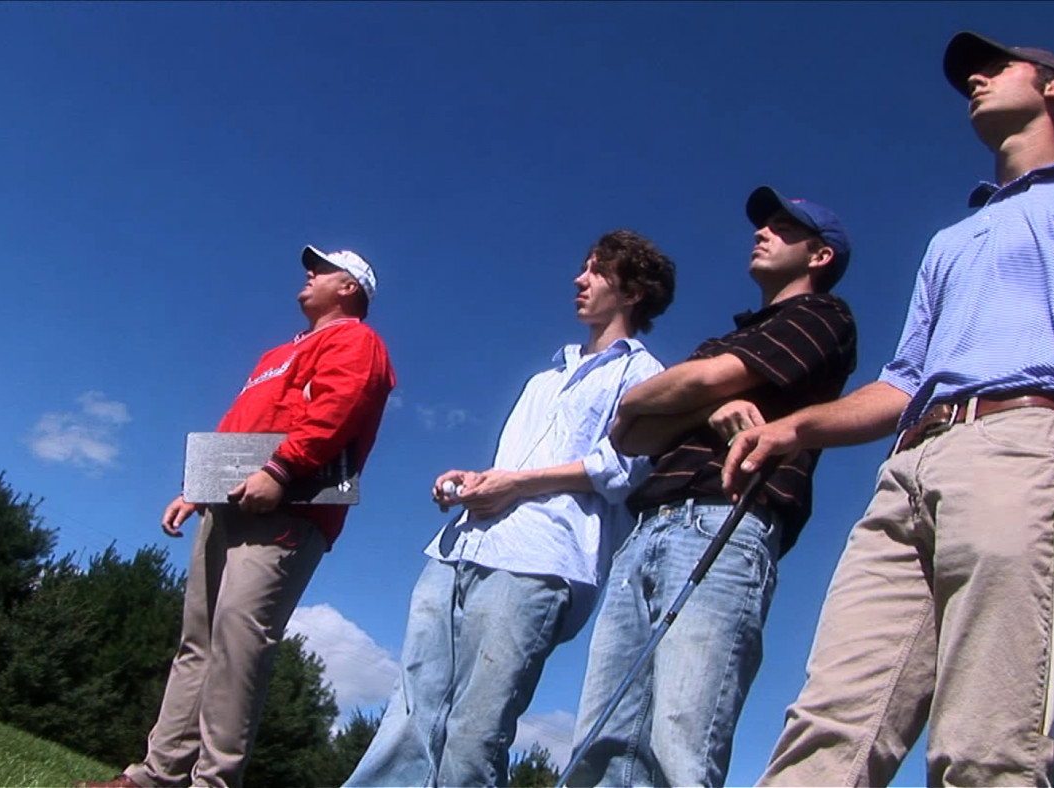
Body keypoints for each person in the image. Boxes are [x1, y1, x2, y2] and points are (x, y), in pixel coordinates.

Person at [722, 31, 1054, 786]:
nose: (975, 78)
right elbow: (903, 382)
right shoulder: (951, 240)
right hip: (907, 465)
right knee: (827, 725)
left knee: (989, 739)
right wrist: (794, 427)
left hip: (1025, 446)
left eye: (995, 66)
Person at [345, 230, 676, 787]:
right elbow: (514, 466)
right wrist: (473, 480)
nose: (579, 279)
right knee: (409, 719)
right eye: (584, 267)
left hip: (541, 560)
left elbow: (624, 469)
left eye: (596, 270)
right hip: (461, 546)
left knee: (475, 732)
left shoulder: (645, 376)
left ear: (634, 291)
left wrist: (516, 485)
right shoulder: (543, 378)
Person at [565, 188, 858, 787]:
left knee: (680, 740)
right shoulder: (722, 340)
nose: (763, 233)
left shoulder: (823, 318)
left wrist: (701, 391)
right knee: (599, 742)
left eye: (782, 226)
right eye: (764, 224)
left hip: (723, 525)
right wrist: (709, 395)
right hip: (646, 532)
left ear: (820, 256)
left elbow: (697, 387)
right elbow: (632, 427)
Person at [78, 245, 396, 788]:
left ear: (350, 288)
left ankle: (214, 781)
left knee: (238, 640)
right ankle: (156, 776)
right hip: (227, 503)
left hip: (289, 508)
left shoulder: (356, 340)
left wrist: (280, 469)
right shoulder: (274, 355)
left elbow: (341, 406)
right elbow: (237, 423)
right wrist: (196, 489)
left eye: (322, 269)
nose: (309, 273)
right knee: (196, 641)